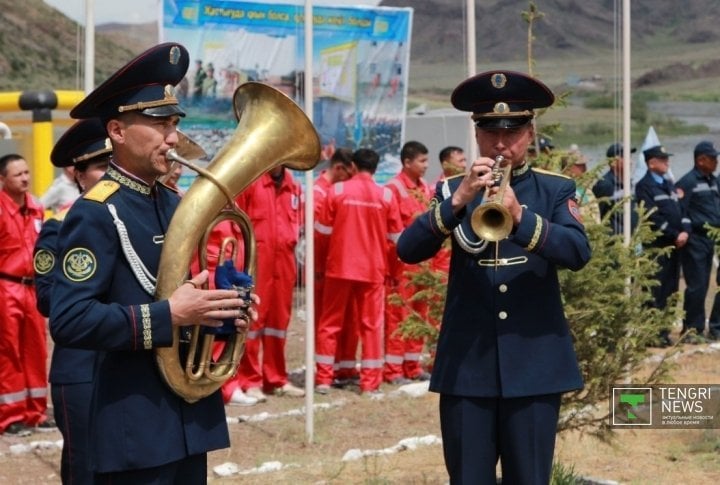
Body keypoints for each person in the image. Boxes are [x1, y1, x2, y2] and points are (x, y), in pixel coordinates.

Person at [48, 43, 257, 483]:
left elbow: (185, 296)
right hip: (135, 424)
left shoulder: (177, 202)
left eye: (175, 123)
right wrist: (169, 315)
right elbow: (69, 319)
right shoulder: (95, 211)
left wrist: (221, 311)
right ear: (118, 132)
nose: (173, 137)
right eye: (159, 123)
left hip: (188, 417)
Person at [396, 70, 591, 483]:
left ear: (530, 132)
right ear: (477, 134)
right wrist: (460, 200)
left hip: (535, 365)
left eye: (513, 131)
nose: (501, 143)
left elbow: (577, 252)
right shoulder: (451, 189)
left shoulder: (555, 189)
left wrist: (520, 216)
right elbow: (407, 249)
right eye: (489, 132)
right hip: (468, 368)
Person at [33, 118, 112, 484]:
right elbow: (48, 300)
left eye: (114, 166)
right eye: (100, 167)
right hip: (81, 369)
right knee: (86, 466)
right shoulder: (58, 227)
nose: (110, 175)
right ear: (77, 174)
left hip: (128, 365)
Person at [314, 148, 403, 395]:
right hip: (373, 270)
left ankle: (323, 379)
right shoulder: (386, 195)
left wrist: (320, 266)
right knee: (371, 326)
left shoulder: (337, 191)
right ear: (375, 168)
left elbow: (321, 235)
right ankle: (370, 383)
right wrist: (394, 271)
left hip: (338, 268)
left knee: (329, 324)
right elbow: (396, 240)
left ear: (352, 166)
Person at [228, 165, 306, 401]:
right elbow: (236, 224)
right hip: (256, 262)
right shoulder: (250, 181)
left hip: (284, 262)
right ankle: (249, 379)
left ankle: (276, 378)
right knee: (253, 320)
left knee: (278, 322)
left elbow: (298, 224)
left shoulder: (294, 186)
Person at [0, 153, 53, 437]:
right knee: (9, 351)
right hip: (5, 286)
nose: (25, 178)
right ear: (2, 180)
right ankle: (11, 416)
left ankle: (37, 411)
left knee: (36, 348)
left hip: (32, 287)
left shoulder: (36, 207)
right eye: (18, 174)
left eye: (27, 172)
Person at [384, 140, 433, 384]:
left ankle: (412, 366)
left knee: (419, 315)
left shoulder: (424, 187)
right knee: (398, 316)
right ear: (407, 162)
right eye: (422, 161)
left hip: (424, 265)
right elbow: (390, 233)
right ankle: (393, 370)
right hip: (401, 265)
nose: (426, 166)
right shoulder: (393, 188)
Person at [312, 147, 359, 387]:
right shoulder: (318, 192)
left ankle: (342, 367)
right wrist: (318, 268)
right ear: (339, 168)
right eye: (349, 175)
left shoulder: (335, 191)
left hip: (340, 266)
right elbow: (317, 238)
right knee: (326, 321)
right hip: (324, 268)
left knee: (348, 320)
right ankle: (323, 372)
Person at [634, 145, 689, 347]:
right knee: (655, 289)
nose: (668, 163)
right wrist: (675, 234)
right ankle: (652, 333)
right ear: (651, 163)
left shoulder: (668, 183)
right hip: (657, 247)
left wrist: (685, 231)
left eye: (667, 159)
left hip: (675, 246)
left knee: (671, 289)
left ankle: (664, 331)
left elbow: (681, 210)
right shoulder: (644, 186)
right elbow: (653, 217)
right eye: (663, 159)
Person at [676, 140, 720, 342]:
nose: (716, 162)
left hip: (713, 238)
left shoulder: (713, 181)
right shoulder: (687, 182)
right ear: (700, 160)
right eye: (712, 158)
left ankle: (710, 328)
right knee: (697, 285)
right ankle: (691, 330)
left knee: (708, 284)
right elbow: (680, 211)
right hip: (695, 239)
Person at [592, 142, 639, 235]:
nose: (630, 162)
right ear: (613, 162)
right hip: (614, 243)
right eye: (625, 157)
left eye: (630, 157)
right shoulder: (605, 185)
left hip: (632, 239)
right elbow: (597, 215)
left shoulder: (629, 183)